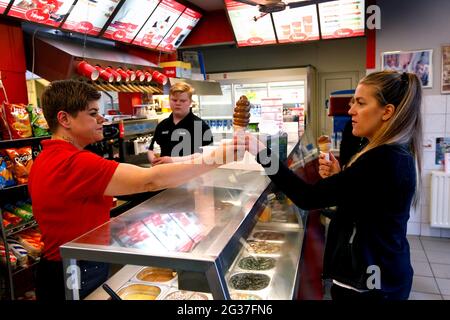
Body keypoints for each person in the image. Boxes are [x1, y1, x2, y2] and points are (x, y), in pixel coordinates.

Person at [28, 80, 243, 301]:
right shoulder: (75, 162)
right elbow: (150, 181)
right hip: (76, 269)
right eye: (93, 113)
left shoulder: (45, 157)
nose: (102, 119)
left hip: (59, 267)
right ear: (64, 119)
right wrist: (218, 157)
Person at [246, 70, 422, 300]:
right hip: (385, 269)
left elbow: (307, 197)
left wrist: (261, 152)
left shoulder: (382, 158)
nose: (350, 111)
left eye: (360, 103)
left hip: (370, 282)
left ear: (387, 112)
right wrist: (343, 176)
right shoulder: (393, 152)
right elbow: (369, 202)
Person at [147, 82, 213, 166]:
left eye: (182, 101)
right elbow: (151, 149)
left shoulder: (199, 125)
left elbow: (203, 154)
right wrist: (154, 160)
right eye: (174, 100)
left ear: (190, 102)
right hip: (164, 174)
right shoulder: (162, 125)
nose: (178, 103)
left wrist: (172, 160)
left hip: (189, 175)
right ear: (169, 100)